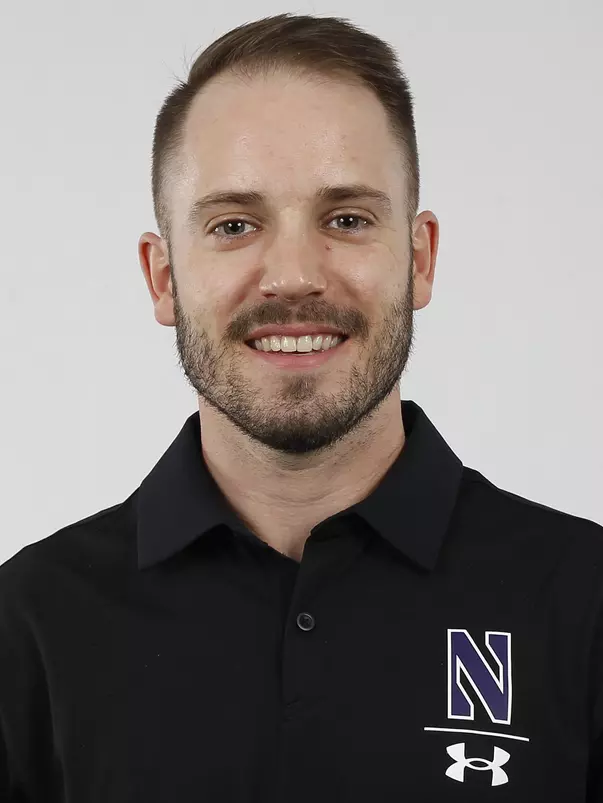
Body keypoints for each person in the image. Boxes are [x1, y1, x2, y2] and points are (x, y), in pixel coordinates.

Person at [1, 12, 602, 802]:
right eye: (234, 224)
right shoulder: (30, 622)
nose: (291, 275)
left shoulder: (582, 598)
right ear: (163, 277)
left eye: (346, 218)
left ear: (419, 259)